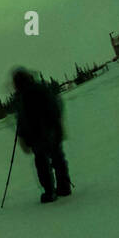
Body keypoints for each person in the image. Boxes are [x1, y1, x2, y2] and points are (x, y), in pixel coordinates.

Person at [12, 67, 72, 203]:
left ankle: (50, 192)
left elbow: (22, 119)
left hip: (37, 135)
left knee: (42, 162)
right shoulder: (40, 88)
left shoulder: (23, 96)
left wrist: (23, 135)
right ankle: (64, 187)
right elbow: (56, 107)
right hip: (52, 130)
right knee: (57, 158)